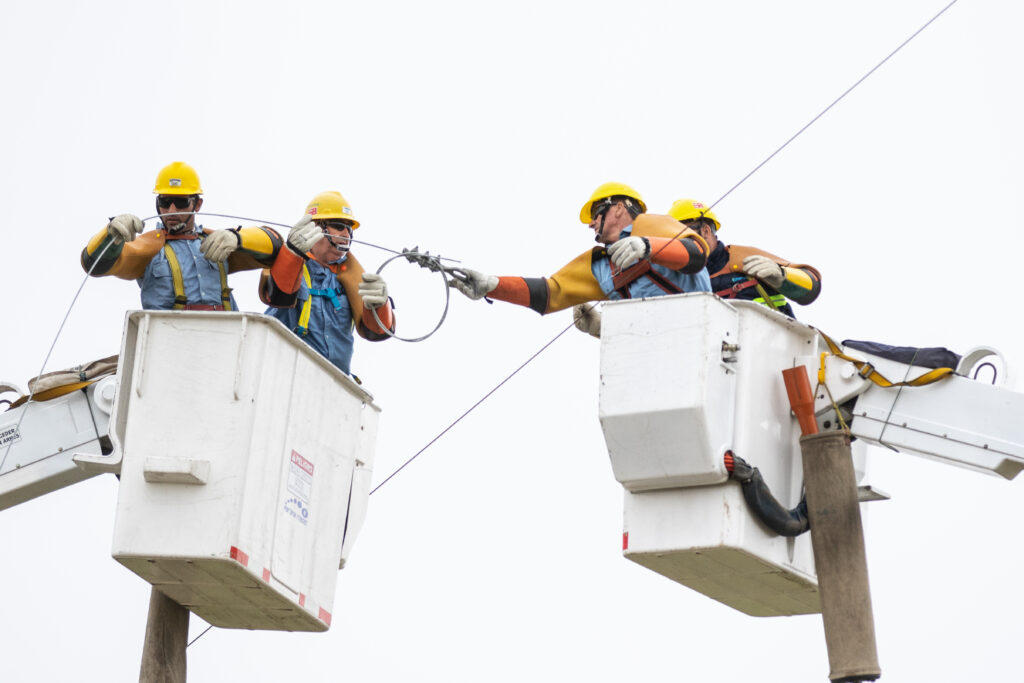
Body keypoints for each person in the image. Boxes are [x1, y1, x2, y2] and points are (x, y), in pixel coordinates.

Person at [449, 183, 711, 331]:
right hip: (650, 348)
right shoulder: (600, 264)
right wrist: (491, 285)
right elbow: (550, 293)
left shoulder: (650, 224)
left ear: (619, 208)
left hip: (698, 331)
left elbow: (696, 253)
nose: (591, 223)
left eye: (597, 212)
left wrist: (647, 245)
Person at [80, 161, 285, 310]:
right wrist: (110, 236)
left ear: (197, 204)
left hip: (223, 340)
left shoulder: (215, 242)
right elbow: (95, 264)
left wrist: (238, 238)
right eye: (165, 201)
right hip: (170, 342)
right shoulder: (149, 247)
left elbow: (275, 246)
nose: (171, 210)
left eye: (180, 202)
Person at [259, 191, 395, 376]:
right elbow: (277, 295)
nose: (346, 233)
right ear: (315, 227)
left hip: (333, 386)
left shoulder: (351, 278)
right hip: (285, 376)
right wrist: (292, 253)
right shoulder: (290, 263)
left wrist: (381, 304)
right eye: (339, 226)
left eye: (349, 228)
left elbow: (377, 332)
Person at [667, 199, 821, 319]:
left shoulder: (744, 258)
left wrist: (782, 277)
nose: (681, 244)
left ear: (706, 231)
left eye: (683, 236)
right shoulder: (680, 278)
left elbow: (811, 286)